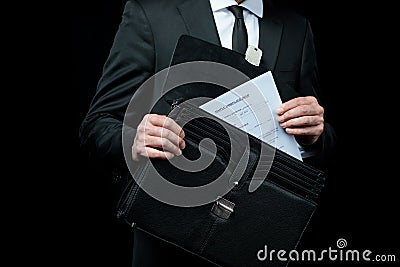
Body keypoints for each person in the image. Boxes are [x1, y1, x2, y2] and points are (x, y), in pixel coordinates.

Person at [79, 0, 336, 266]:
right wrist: (134, 141)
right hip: (165, 237)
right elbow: (97, 123)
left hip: (252, 241)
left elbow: (320, 142)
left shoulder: (297, 29)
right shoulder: (151, 14)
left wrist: (314, 136)